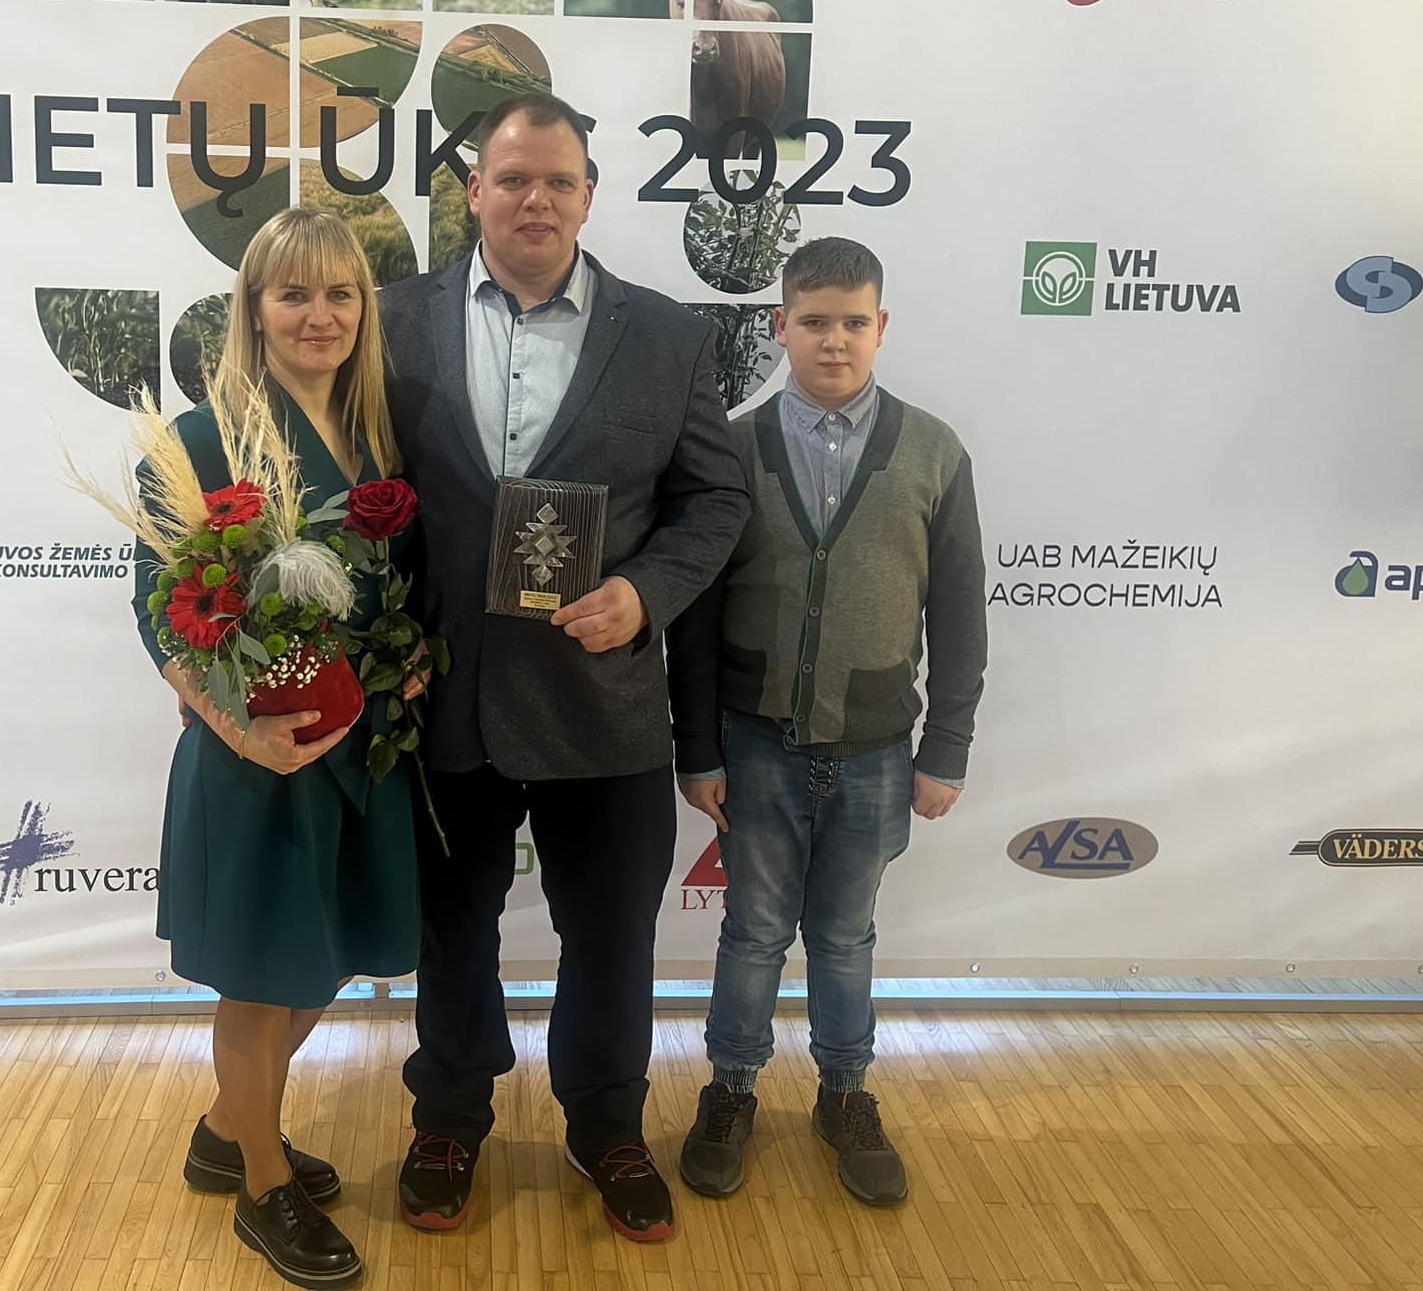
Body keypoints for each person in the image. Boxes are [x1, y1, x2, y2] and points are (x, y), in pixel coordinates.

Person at [380, 94, 751, 1243]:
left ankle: (605, 1125)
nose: (533, 199)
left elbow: (716, 498)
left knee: (610, 938)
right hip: (443, 697)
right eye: (511, 179)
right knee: (451, 931)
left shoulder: (669, 337)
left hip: (605, 703)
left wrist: (645, 592)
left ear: (589, 196)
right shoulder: (391, 322)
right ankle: (448, 1117)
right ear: (473, 193)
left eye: (556, 181)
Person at [131, 208, 425, 1289]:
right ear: (252, 309)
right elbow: (158, 611)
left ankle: (225, 1132)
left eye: (340, 294)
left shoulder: (379, 430)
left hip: (361, 747)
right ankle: (262, 1188)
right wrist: (235, 729)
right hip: (258, 759)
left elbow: (400, 581)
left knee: (325, 959)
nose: (319, 315)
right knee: (260, 984)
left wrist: (412, 656)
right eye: (293, 293)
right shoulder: (199, 439)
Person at [666, 236, 988, 1207]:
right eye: (813, 322)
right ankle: (731, 1089)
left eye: (853, 322)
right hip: (755, 744)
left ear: (880, 327)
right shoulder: (730, 447)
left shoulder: (934, 452)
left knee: (845, 936)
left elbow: (959, 611)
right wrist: (697, 748)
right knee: (753, 931)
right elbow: (696, 616)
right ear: (780, 327)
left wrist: (946, 747)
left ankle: (844, 1093)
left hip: (877, 750)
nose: (833, 340)